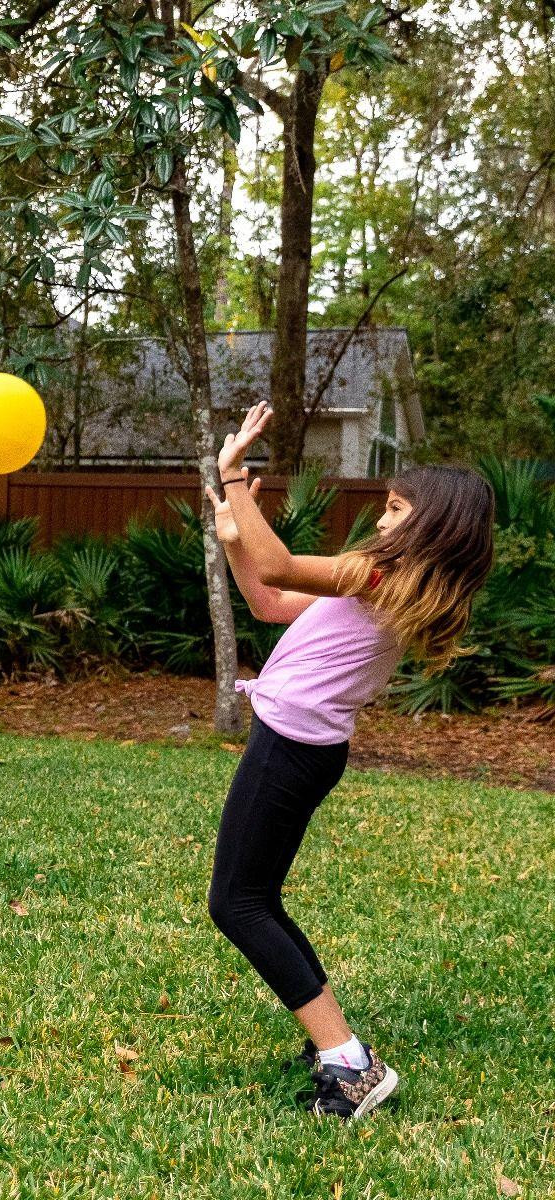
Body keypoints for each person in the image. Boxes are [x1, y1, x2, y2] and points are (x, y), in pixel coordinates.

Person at [204, 401, 495, 1121]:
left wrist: (233, 473)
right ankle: (334, 1046)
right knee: (255, 897)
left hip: (293, 747)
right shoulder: (380, 585)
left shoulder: (376, 574)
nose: (383, 518)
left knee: (236, 903)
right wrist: (235, 537)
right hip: (301, 745)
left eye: (397, 508)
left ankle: (349, 1063)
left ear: (433, 525)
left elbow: (278, 562)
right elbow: (270, 598)